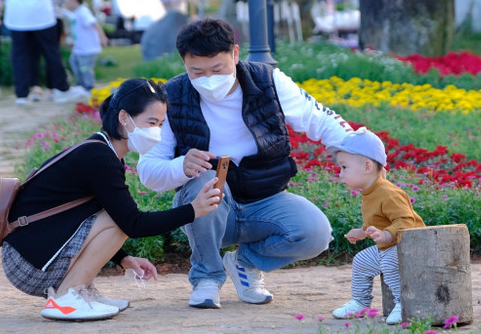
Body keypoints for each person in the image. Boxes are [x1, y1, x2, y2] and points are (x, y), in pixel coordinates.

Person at [137, 18, 354, 309]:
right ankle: (207, 278)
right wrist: (180, 166)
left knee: (315, 232)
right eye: (197, 72)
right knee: (207, 181)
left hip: (264, 200)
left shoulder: (269, 82)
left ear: (235, 54)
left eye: (218, 69)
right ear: (183, 62)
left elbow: (320, 119)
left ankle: (244, 264)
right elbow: (148, 171)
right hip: (208, 211)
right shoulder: (171, 97)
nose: (209, 80)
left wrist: (357, 147)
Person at [2, 78, 222, 321]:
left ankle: (82, 290)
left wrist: (123, 258)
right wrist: (192, 210)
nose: (156, 132)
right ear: (124, 118)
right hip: (28, 264)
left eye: (160, 124)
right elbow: (133, 224)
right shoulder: (99, 156)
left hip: (32, 255)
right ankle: (68, 296)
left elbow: (95, 218)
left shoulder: (103, 151)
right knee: (122, 219)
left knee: (117, 216)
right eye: (151, 122)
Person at [328, 128, 425, 325]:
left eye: (344, 167)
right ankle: (361, 302)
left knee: (389, 263)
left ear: (367, 166)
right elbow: (377, 223)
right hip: (389, 246)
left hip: (410, 246)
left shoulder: (389, 193)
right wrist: (362, 232)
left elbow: (406, 221)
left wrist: (387, 235)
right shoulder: (370, 192)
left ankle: (403, 303)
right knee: (361, 261)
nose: (340, 174)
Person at [65, 0, 107, 96]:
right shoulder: (76, 13)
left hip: (88, 50)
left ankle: (89, 87)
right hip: (79, 49)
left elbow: (95, 24)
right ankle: (81, 86)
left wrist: (102, 37)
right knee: (73, 62)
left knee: (85, 68)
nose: (65, 2)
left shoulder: (83, 12)